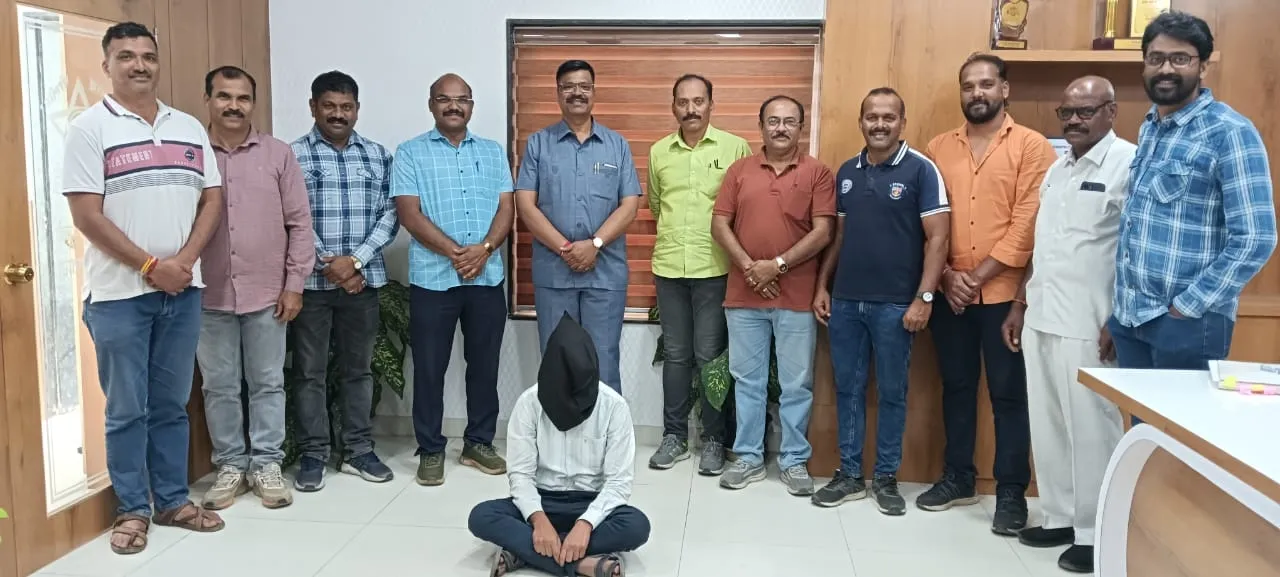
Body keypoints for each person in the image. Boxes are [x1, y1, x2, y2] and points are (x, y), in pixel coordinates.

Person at [64, 22, 226, 554]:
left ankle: (173, 501)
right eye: (126, 56)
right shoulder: (89, 129)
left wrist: (184, 262)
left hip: (183, 291)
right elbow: (87, 216)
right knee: (126, 409)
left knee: (172, 405)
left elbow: (212, 199)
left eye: (148, 56)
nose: (139, 65)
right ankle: (132, 509)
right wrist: (152, 265)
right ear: (107, 65)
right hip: (118, 297)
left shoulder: (188, 127)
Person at [921, 53, 1056, 535]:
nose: (976, 93)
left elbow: (1028, 224)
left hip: (1004, 296)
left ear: (1004, 89)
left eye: (985, 84)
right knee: (956, 388)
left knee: (1008, 396)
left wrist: (974, 277)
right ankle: (958, 477)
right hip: (950, 294)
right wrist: (945, 277)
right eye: (968, 86)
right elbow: (927, 221)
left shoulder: (1033, 146)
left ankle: (1011, 492)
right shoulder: (938, 147)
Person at [1001, 76, 1133, 573]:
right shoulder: (1058, 168)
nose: (1074, 120)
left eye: (1085, 111)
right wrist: (1020, 303)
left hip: (1090, 320)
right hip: (1042, 314)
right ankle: (1059, 516)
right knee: (1049, 421)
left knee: (1092, 426)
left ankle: (1097, 531)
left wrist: (1120, 316)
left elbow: (1135, 249)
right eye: (1067, 112)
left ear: (1111, 112)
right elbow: (1044, 245)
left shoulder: (1128, 163)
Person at [1109, 11, 1276, 372]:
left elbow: (1256, 238)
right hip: (1131, 317)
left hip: (1186, 324)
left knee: (1175, 414)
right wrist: (1120, 311)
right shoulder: (1151, 126)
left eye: (1180, 59)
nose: (1166, 69)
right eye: (1156, 58)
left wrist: (1187, 307)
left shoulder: (1230, 132)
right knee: (1136, 414)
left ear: (1203, 67)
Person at [811, 88, 950, 515]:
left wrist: (924, 297)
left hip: (896, 306)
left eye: (889, 117)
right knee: (848, 390)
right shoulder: (847, 172)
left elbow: (938, 238)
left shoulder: (921, 169)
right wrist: (823, 286)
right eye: (872, 116)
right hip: (846, 303)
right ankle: (850, 476)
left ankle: (886, 477)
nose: (880, 124)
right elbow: (839, 237)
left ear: (902, 123)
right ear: (861, 121)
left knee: (892, 392)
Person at [197, 65, 314, 511]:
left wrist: (294, 284)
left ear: (253, 104)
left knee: (267, 383)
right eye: (224, 96)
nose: (233, 106)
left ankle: (266, 463)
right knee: (219, 386)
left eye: (242, 98)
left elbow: (299, 223)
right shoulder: (192, 153)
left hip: (268, 293)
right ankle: (230, 464)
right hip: (207, 292)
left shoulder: (278, 155)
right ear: (208, 100)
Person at [392, 73, 513, 486]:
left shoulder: (493, 152)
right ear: (431, 105)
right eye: (444, 99)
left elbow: (506, 208)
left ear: (471, 106)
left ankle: (479, 442)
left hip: (486, 277)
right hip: (433, 280)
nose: (453, 106)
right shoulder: (410, 153)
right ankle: (430, 448)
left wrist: (485, 249)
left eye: (461, 99)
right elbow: (409, 214)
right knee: (429, 368)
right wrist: (456, 253)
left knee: (484, 366)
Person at [711, 95, 836, 496]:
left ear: (801, 127)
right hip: (744, 297)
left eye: (789, 121)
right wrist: (753, 268)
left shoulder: (818, 173)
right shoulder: (739, 171)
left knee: (796, 384)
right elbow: (720, 225)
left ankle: (794, 460)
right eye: (773, 121)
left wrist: (777, 265)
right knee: (747, 381)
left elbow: (824, 232)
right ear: (761, 126)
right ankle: (748, 457)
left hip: (796, 297)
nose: (781, 128)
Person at [468, 314, 650, 577]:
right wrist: (538, 520)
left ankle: (527, 553)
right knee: (481, 516)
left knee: (637, 526)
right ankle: (581, 562)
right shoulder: (529, 403)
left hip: (591, 501)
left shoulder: (614, 406)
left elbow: (618, 483)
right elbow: (520, 476)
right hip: (542, 500)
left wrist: (586, 524)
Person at [290, 70, 398, 491]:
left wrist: (354, 262)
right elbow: (292, 217)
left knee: (359, 371)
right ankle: (313, 454)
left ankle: (357, 450)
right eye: (330, 106)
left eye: (346, 107)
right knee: (309, 373)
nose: (338, 114)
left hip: (362, 284)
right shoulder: (293, 155)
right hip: (312, 287)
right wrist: (329, 265)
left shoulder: (378, 156)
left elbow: (391, 214)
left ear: (357, 109)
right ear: (313, 107)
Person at [646, 74, 752, 475]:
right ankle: (673, 437)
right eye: (683, 102)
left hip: (714, 269)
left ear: (711, 104)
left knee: (709, 356)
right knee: (676, 355)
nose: (691, 109)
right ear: (673, 106)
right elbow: (657, 205)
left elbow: (743, 209)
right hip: (670, 267)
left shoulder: (734, 148)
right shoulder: (659, 152)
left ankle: (713, 441)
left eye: (698, 101)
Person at [515, 60, 641, 394]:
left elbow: (630, 205)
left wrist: (594, 244)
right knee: (557, 362)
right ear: (558, 93)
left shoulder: (617, 145)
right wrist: (566, 249)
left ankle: (604, 429)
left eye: (584, 86)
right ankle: (559, 429)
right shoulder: (538, 144)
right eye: (569, 86)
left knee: (604, 361)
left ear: (594, 92)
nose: (577, 93)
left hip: (605, 274)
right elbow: (525, 205)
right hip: (554, 274)